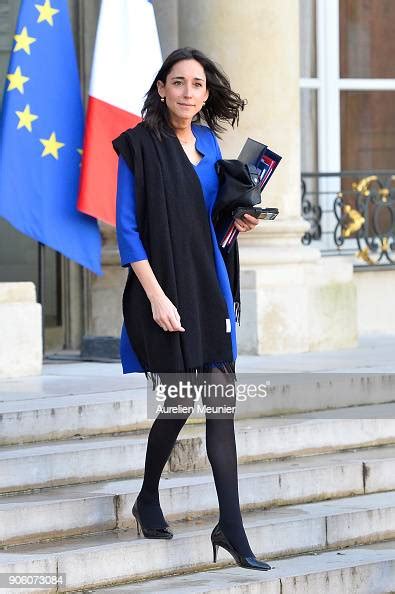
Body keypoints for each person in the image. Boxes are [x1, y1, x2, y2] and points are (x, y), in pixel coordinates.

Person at [113, 47, 271, 571]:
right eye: (177, 82)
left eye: (197, 84)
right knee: (180, 405)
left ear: (206, 94)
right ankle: (147, 496)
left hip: (212, 287)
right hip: (162, 292)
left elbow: (214, 216)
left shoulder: (208, 141)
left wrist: (240, 220)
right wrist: (157, 298)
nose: (187, 92)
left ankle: (232, 527)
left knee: (220, 407)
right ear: (161, 89)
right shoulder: (137, 147)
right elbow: (129, 229)